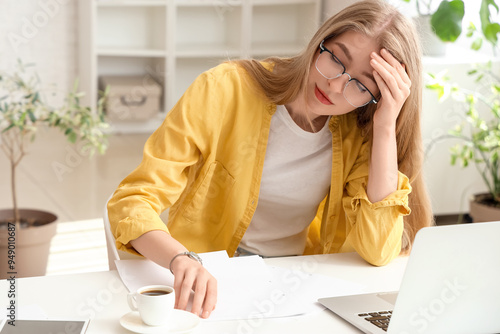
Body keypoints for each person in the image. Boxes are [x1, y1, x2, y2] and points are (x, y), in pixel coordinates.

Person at [107, 0, 433, 320]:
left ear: (375, 99)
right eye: (335, 58)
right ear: (320, 41)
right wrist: (181, 259)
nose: (334, 86)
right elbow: (133, 201)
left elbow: (378, 250)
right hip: (204, 277)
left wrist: (386, 124)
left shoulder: (360, 135)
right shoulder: (224, 89)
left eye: (361, 84)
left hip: (291, 286)